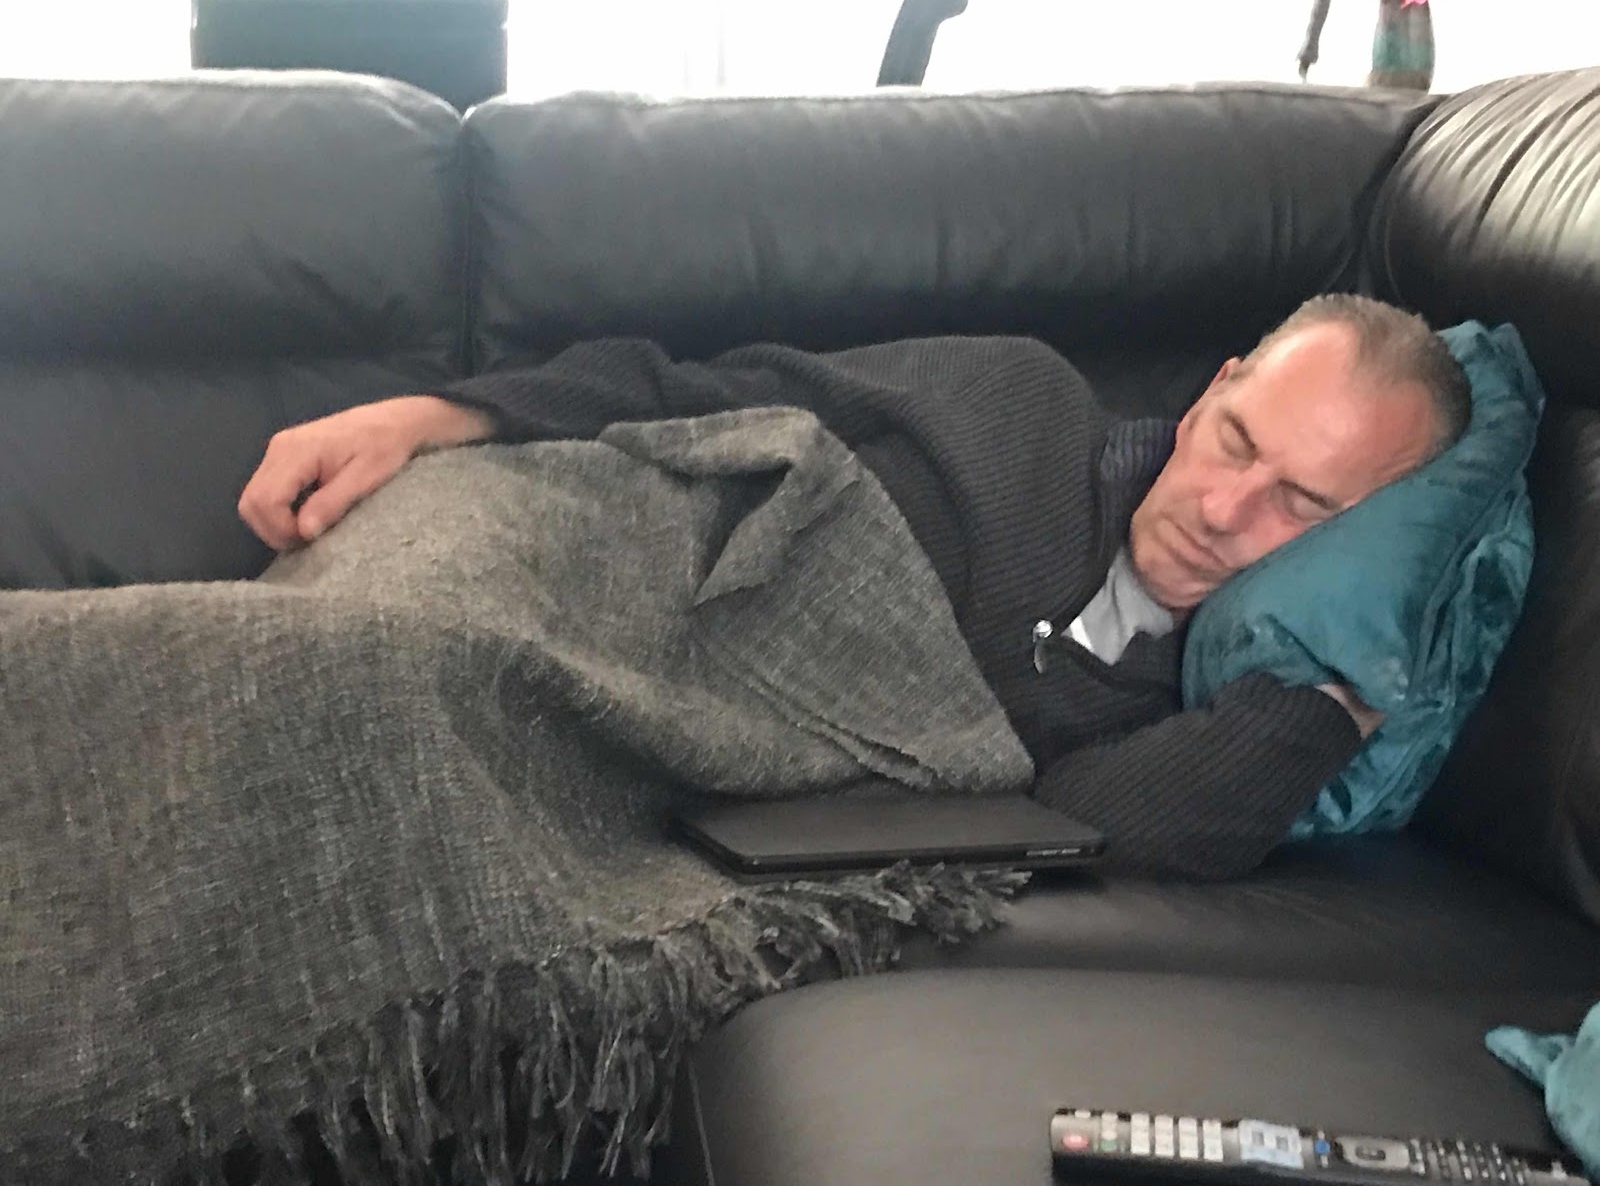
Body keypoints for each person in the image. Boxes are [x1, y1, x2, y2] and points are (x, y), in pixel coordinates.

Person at [238, 293, 1470, 879]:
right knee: (302, 680)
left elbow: (1099, 833)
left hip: (643, 724)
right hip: (577, 535)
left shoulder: (1177, 708)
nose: (1223, 509)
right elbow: (709, 394)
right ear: (1211, 390)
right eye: (1236, 441)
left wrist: (1327, 702)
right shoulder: (1021, 396)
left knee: (360, 753)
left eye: (1303, 507)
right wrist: (430, 415)